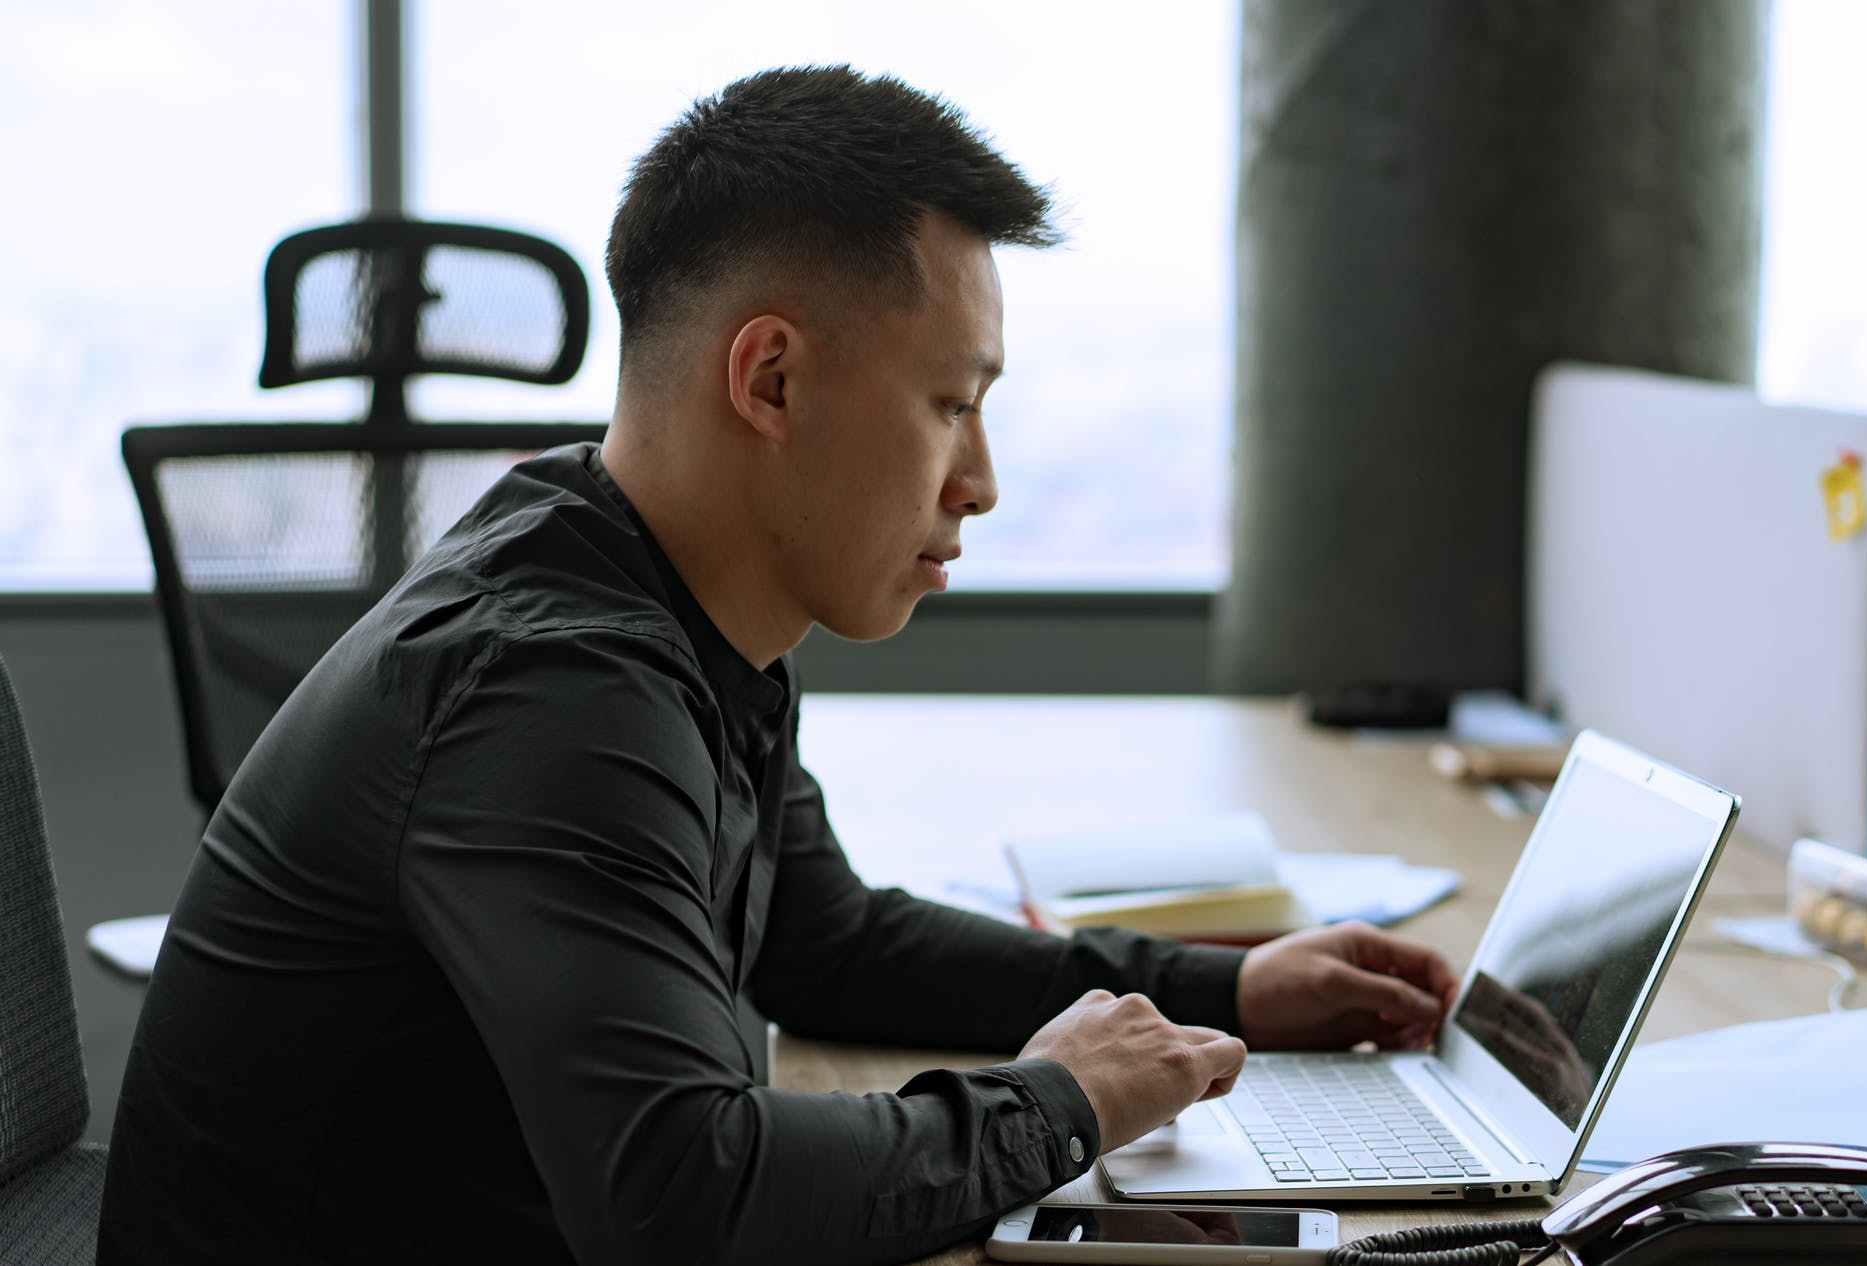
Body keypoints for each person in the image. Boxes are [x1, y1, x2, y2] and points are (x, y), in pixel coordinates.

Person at [98, 66, 1457, 1266]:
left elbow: (827, 944)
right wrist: (1063, 1103)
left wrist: (1224, 987)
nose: (978, 482)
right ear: (770, 381)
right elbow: (692, 1202)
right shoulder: (554, 688)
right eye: (950, 404)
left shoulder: (663, 595)